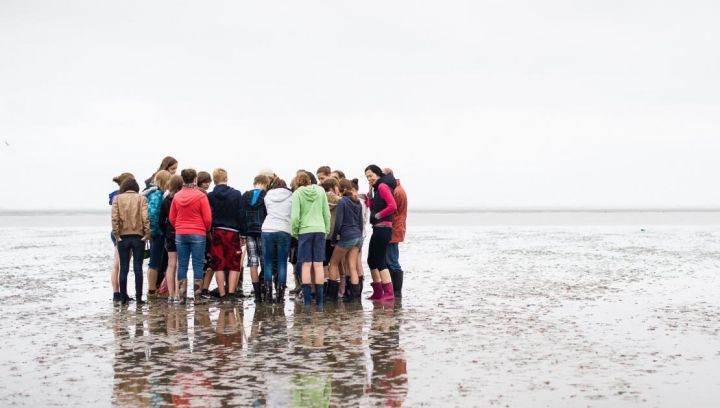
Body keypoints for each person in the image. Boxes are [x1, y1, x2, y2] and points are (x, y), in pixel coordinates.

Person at [169, 168, 212, 305]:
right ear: (195, 179)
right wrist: (206, 229)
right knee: (197, 264)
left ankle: (181, 297)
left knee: (182, 265)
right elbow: (207, 218)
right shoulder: (201, 196)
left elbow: (172, 217)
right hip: (198, 232)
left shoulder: (177, 196)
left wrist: (179, 227)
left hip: (181, 233)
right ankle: (197, 297)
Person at [291, 172, 331, 307]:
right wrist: (326, 229)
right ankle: (320, 303)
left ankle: (307, 302)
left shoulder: (297, 194)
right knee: (319, 265)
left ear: (298, 183)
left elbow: (295, 216)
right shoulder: (320, 191)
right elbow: (326, 213)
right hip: (319, 229)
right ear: (309, 180)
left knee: (306, 265)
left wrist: (295, 232)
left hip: (304, 230)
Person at [112, 178, 151, 304]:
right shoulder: (142, 199)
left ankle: (123, 297)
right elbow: (145, 217)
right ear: (136, 187)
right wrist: (147, 233)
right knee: (138, 268)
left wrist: (117, 235)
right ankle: (139, 298)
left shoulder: (117, 199)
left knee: (124, 268)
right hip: (138, 236)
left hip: (123, 236)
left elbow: (115, 218)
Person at [207, 168, 243, 303]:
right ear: (226, 178)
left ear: (214, 180)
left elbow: (209, 215)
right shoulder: (236, 194)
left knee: (219, 264)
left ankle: (222, 294)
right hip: (233, 231)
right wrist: (243, 233)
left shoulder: (210, 196)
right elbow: (240, 214)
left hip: (217, 231)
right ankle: (231, 292)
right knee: (234, 263)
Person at [364, 165, 397, 301]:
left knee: (380, 260)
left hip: (384, 228)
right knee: (371, 260)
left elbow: (393, 206)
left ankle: (389, 293)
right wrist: (370, 196)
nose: (369, 178)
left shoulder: (383, 186)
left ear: (378, 174)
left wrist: (378, 215)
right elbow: (373, 207)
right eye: (367, 177)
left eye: (371, 175)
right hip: (377, 228)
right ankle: (378, 292)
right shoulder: (377, 189)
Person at [327, 179, 364, 301]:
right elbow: (360, 223)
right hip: (358, 236)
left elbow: (339, 223)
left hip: (347, 237)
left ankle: (331, 297)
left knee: (333, 263)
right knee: (352, 266)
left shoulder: (343, 201)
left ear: (340, 189)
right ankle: (354, 298)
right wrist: (358, 236)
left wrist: (333, 238)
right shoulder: (357, 201)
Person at [261, 178, 293, 303]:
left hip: (268, 229)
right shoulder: (291, 196)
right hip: (284, 230)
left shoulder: (267, 196)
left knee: (268, 262)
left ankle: (268, 294)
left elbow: (267, 210)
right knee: (282, 263)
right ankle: (280, 295)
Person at [240, 175, 269, 303]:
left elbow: (241, 214)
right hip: (263, 231)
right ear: (265, 184)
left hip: (249, 232)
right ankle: (265, 290)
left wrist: (242, 233)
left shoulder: (245, 195)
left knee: (252, 262)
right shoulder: (266, 196)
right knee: (265, 261)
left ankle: (257, 295)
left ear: (254, 183)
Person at [144, 170, 171, 298]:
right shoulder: (157, 194)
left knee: (156, 262)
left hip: (156, 232)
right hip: (157, 233)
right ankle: (151, 289)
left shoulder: (155, 193)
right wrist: (156, 230)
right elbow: (153, 215)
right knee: (154, 263)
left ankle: (154, 288)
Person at [109, 172, 134, 302]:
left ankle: (116, 293)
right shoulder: (125, 197)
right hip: (125, 232)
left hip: (114, 232)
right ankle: (122, 293)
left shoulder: (114, 196)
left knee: (116, 265)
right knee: (124, 265)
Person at [159, 174, 183, 304]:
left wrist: (166, 231)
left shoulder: (165, 201)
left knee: (171, 264)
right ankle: (178, 293)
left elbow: (160, 221)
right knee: (180, 265)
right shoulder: (181, 199)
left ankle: (171, 294)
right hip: (181, 232)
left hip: (169, 234)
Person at [384, 168, 407, 298]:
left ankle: (397, 291)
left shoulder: (396, 191)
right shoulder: (398, 189)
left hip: (394, 228)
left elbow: (392, 210)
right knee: (391, 259)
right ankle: (395, 290)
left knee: (392, 260)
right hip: (397, 227)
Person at [321, 178, 340, 285]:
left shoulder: (321, 198)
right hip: (336, 235)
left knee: (324, 263)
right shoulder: (340, 200)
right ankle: (335, 288)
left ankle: (325, 288)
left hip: (324, 233)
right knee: (334, 263)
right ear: (333, 187)